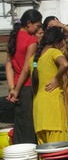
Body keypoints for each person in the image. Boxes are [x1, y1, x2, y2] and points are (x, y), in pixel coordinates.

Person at [30, 27, 68, 160]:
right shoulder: (54, 52)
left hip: (39, 112)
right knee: (58, 155)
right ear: (58, 42)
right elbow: (64, 65)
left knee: (45, 156)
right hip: (53, 111)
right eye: (62, 44)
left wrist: (14, 90)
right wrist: (55, 79)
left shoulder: (34, 58)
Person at [6, 9, 42, 144]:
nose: (39, 28)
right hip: (27, 87)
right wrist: (17, 90)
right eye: (38, 25)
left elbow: (9, 65)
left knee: (20, 124)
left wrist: (12, 89)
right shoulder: (32, 41)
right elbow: (26, 69)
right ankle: (30, 158)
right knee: (29, 125)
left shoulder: (13, 37)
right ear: (29, 23)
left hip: (16, 85)